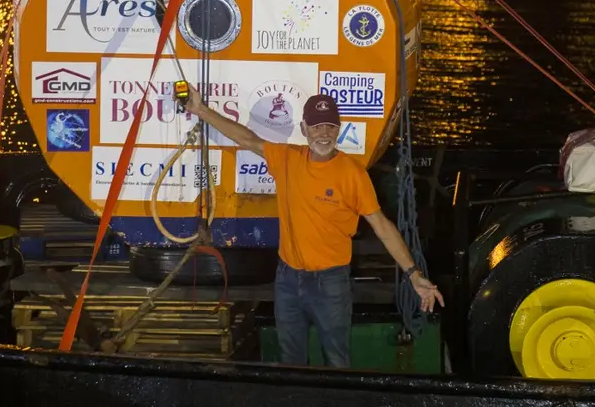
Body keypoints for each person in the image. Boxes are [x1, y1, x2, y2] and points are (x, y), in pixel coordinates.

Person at [183, 84, 444, 369]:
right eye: (317, 126)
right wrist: (200, 109)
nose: (324, 134)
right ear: (304, 128)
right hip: (287, 280)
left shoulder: (352, 173)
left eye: (331, 126)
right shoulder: (287, 159)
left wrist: (414, 274)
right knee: (291, 362)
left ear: (339, 129)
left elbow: (382, 226)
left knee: (336, 361)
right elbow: (247, 139)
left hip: (330, 283)